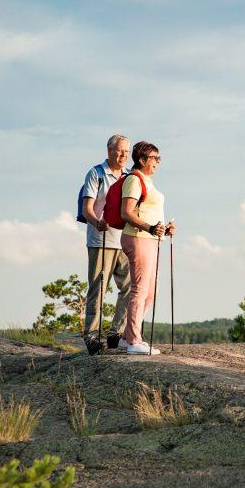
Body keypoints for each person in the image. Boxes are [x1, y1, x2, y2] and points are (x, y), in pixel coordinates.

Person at [120, 141, 176, 355]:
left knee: (150, 293)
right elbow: (127, 213)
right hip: (138, 238)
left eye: (159, 158)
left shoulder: (147, 181)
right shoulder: (134, 179)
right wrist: (151, 228)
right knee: (140, 289)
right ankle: (134, 341)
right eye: (155, 158)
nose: (158, 162)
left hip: (150, 239)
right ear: (142, 160)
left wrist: (164, 229)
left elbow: (148, 212)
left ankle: (127, 337)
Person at [81, 134, 132, 355]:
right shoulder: (96, 173)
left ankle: (115, 333)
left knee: (130, 287)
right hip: (100, 240)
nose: (123, 155)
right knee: (98, 290)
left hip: (125, 239)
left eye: (127, 152)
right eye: (119, 150)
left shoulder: (130, 176)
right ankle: (92, 337)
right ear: (109, 150)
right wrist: (96, 222)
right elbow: (87, 208)